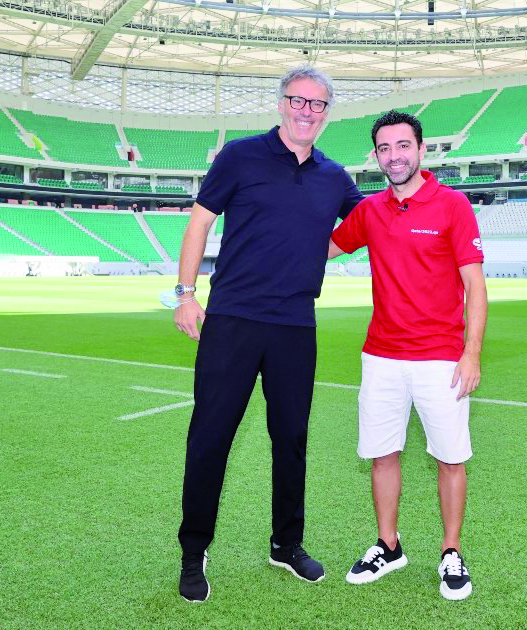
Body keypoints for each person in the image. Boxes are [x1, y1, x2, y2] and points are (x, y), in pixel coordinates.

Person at [172, 64, 365, 603]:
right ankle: (194, 551)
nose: (307, 111)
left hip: (295, 326)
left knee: (292, 441)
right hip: (231, 319)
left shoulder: (335, 176)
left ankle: (286, 544)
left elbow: (366, 226)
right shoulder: (239, 156)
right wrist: (186, 294)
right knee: (210, 437)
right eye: (298, 101)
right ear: (281, 104)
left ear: (328, 113)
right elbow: (200, 222)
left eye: (318, 104)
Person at [327, 110, 487, 601]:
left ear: (421, 149)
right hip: (381, 356)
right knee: (382, 454)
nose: (393, 156)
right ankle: (388, 545)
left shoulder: (453, 205)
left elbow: (475, 289)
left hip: (441, 356)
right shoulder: (370, 211)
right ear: (376, 155)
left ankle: (451, 551)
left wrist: (471, 353)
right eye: (384, 148)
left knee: (450, 458)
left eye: (402, 146)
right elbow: (325, 249)